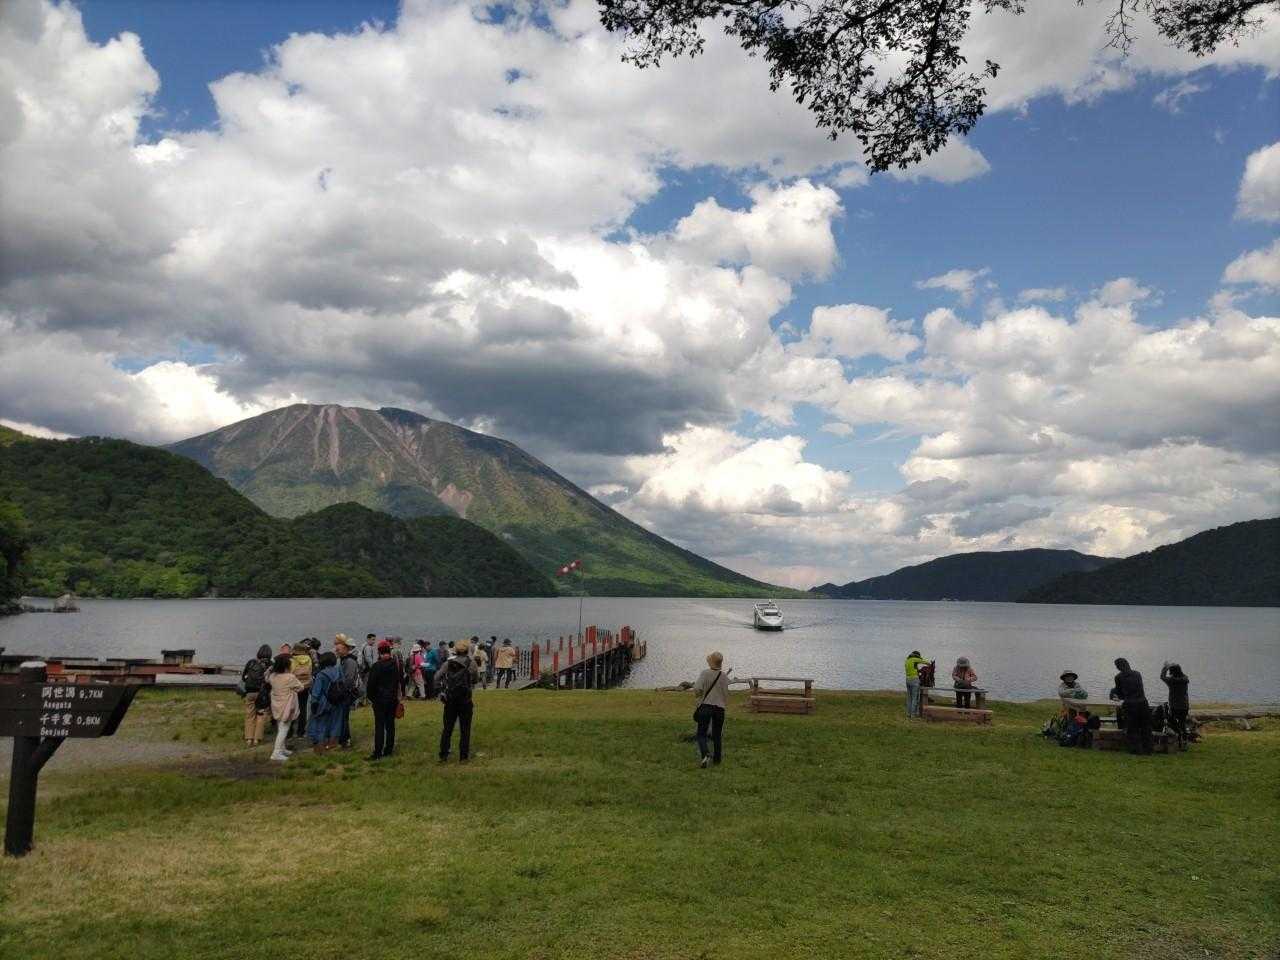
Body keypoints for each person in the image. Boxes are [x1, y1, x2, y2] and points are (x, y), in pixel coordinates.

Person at [436, 639, 479, 762]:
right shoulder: (471, 663)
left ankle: (443, 754)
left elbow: (437, 677)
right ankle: (463, 756)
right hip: (465, 699)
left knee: (447, 728)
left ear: (456, 650)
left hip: (450, 699)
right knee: (465, 729)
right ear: (467, 650)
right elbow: (475, 679)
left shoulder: (448, 663)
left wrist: (441, 691)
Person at [691, 651, 730, 768]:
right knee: (717, 734)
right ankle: (717, 759)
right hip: (720, 708)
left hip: (706, 706)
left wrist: (699, 696)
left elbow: (697, 689)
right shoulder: (724, 676)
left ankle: (705, 754)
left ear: (710, 662)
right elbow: (726, 694)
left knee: (701, 733)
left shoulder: (705, 673)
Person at [365, 639, 401, 760]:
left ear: (379, 652)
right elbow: (398, 681)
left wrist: (372, 698)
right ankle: (389, 749)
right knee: (390, 725)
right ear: (389, 651)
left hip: (379, 700)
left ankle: (377, 752)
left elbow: (370, 685)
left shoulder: (376, 666)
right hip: (392, 699)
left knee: (379, 726)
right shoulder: (394, 665)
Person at [1109, 657, 1153, 755]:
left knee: (1132, 727)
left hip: (1130, 703)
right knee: (1146, 726)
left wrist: (1115, 694)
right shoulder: (1137, 674)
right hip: (1143, 702)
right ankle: (1148, 749)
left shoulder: (1118, 677)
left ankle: (1136, 749)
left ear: (1118, 667)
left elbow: (1120, 693)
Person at [268, 654, 304, 762]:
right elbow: (301, 687)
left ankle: (282, 749)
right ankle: (276, 752)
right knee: (284, 728)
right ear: (286, 666)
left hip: (276, 704)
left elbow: (266, 677)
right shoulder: (290, 677)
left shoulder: (272, 676)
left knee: (280, 726)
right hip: (287, 705)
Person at [307, 651, 343, 753]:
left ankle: (319, 746)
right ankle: (333, 743)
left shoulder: (321, 674)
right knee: (335, 722)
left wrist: (314, 704)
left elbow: (316, 692)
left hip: (324, 702)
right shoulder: (339, 670)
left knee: (320, 723)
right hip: (337, 700)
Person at [240, 644, 273, 746]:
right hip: (262, 694)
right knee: (260, 715)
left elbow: (243, 677)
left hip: (250, 692)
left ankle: (248, 738)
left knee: (249, 715)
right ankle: (257, 739)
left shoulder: (251, 662)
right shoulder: (271, 664)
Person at [335, 635, 361, 749]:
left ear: (346, 649)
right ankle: (343, 738)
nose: (336, 651)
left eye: (338, 650)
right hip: (345, 692)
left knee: (343, 716)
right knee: (342, 716)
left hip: (347, 693)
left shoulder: (349, 661)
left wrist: (341, 691)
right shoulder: (344, 660)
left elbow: (349, 680)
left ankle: (345, 739)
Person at [1160, 662, 1191, 746]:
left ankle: (1177, 737)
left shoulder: (1171, 681)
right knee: (1182, 723)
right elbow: (1182, 675)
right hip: (1184, 705)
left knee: (1172, 723)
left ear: (1171, 671)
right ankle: (1184, 741)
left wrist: (1165, 667)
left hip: (1174, 706)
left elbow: (1162, 676)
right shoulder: (1185, 679)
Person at [289, 640, 315, 738]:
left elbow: (290, 672)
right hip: (305, 686)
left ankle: (290, 731)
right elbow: (311, 671)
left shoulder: (292, 660)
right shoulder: (309, 659)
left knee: (292, 708)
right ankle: (301, 731)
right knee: (303, 708)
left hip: (294, 687)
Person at [904, 650, 929, 719]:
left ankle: (908, 714)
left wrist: (917, 669)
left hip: (907, 679)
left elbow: (913, 668)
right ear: (916, 656)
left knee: (909, 698)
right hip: (914, 680)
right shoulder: (915, 659)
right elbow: (924, 662)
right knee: (915, 697)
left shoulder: (907, 661)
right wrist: (929, 664)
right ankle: (913, 715)